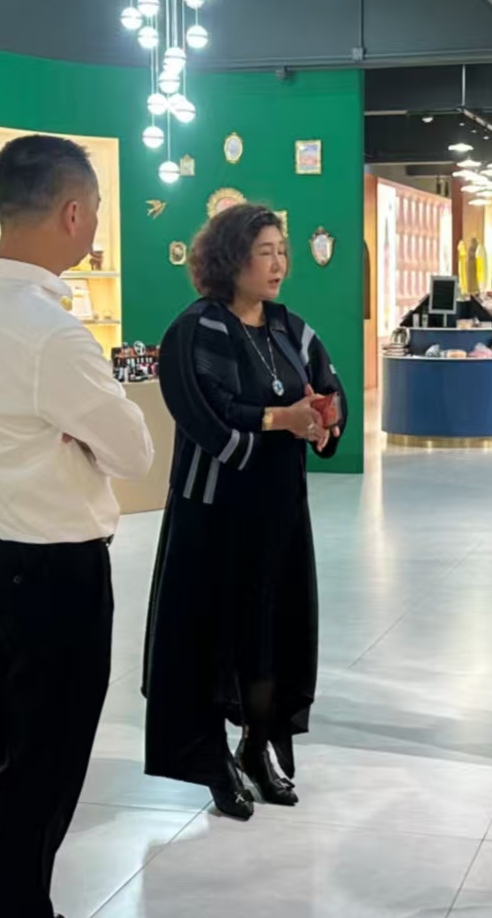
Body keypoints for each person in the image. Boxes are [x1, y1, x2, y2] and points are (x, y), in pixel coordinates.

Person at [0, 135, 154, 918]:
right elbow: (135, 448)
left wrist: (76, 428)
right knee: (46, 764)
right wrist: (85, 426)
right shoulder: (54, 334)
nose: (96, 224)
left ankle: (7, 916)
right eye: (96, 209)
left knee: (4, 755)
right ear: (72, 212)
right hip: (55, 576)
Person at [143, 204, 346, 821]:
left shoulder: (289, 328)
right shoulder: (195, 330)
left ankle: (257, 747)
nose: (279, 263)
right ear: (232, 258)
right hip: (213, 515)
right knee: (209, 642)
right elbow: (208, 417)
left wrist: (323, 420)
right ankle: (211, 763)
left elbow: (328, 388)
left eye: (282, 250)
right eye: (266, 252)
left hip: (277, 513)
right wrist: (281, 419)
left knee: (271, 638)